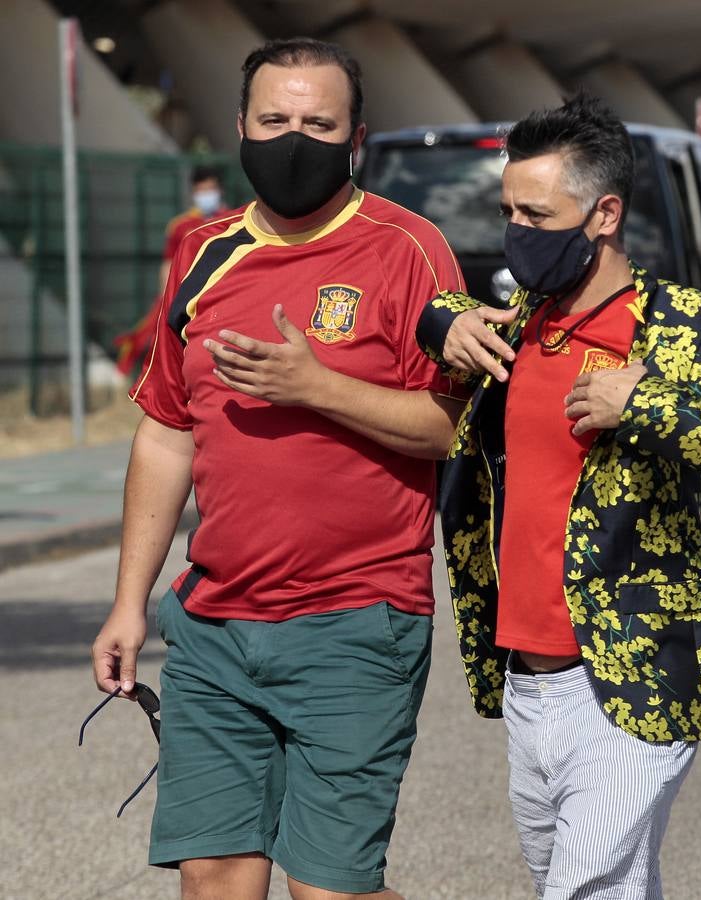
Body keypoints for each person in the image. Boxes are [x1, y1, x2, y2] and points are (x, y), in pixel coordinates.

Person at [90, 38, 466, 900]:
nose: (294, 137)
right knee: (215, 878)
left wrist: (317, 387)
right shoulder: (203, 253)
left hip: (357, 622)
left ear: (356, 137)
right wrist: (127, 603)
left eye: (318, 122)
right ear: (241, 126)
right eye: (275, 119)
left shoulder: (407, 250)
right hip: (214, 626)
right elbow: (165, 434)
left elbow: (446, 431)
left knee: (329, 890)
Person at [415, 94, 701, 900]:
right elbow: (443, 313)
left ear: (603, 214)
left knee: (580, 892)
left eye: (537, 212)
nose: (517, 230)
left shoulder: (687, 329)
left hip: (630, 682)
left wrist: (646, 404)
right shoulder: (522, 324)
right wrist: (441, 320)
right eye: (508, 210)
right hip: (525, 684)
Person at [114, 168, 232, 376]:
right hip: (187, 297)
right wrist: (165, 296)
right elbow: (168, 263)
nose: (206, 195)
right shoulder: (180, 226)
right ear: (194, 193)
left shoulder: (232, 221)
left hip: (221, 294)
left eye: (210, 189)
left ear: (220, 190)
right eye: (201, 190)